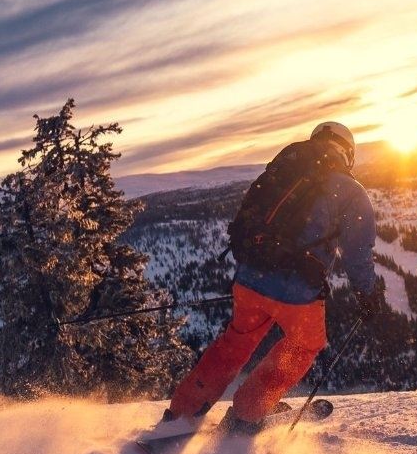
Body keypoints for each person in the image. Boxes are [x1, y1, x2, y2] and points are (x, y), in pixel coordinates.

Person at [164, 121, 383, 434]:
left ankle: (181, 412)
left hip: (249, 278)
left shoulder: (284, 171)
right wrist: (368, 293)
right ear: (347, 152)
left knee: (235, 343)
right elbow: (357, 252)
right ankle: (248, 412)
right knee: (305, 344)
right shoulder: (349, 189)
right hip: (297, 291)